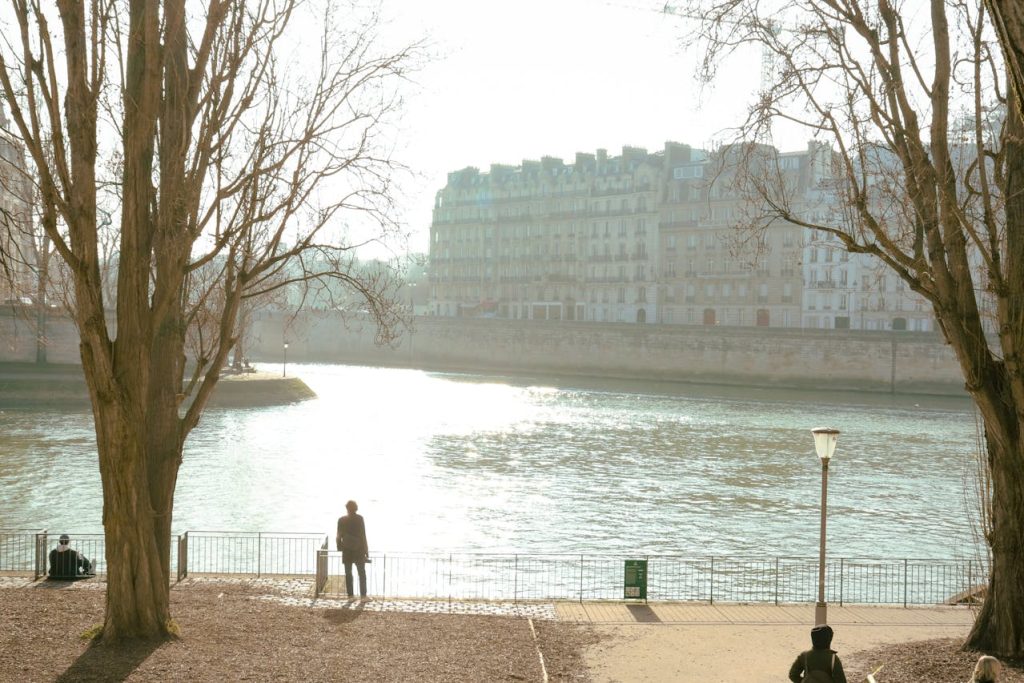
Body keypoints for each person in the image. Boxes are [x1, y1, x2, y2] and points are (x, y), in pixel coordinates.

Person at [336, 500, 369, 599]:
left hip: (346, 550)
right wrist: (366, 550)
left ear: (347, 508)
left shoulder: (341, 520)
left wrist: (340, 547)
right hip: (359, 549)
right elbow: (363, 535)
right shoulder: (360, 519)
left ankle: (350, 596)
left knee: (348, 573)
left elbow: (338, 536)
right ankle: (363, 596)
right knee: (361, 573)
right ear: (356, 508)